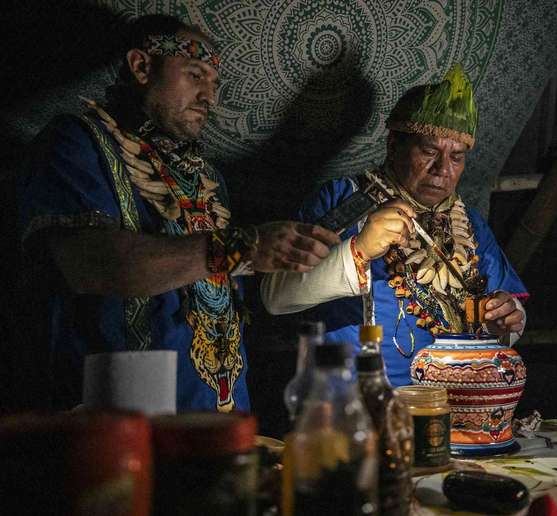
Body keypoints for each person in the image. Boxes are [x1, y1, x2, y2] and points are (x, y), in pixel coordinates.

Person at [16, 14, 340, 412]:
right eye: (195, 75)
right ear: (141, 67)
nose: (209, 97)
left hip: (220, 421)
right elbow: (91, 263)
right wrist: (242, 246)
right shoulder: (77, 143)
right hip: (123, 425)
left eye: (214, 84)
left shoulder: (208, 178)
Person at [261, 65, 528, 387]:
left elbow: (506, 311)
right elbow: (276, 297)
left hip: (448, 401)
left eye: (456, 157)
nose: (442, 169)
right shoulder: (343, 199)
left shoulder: (469, 224)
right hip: (353, 399)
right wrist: (359, 250)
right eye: (428, 151)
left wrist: (505, 320)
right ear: (393, 145)